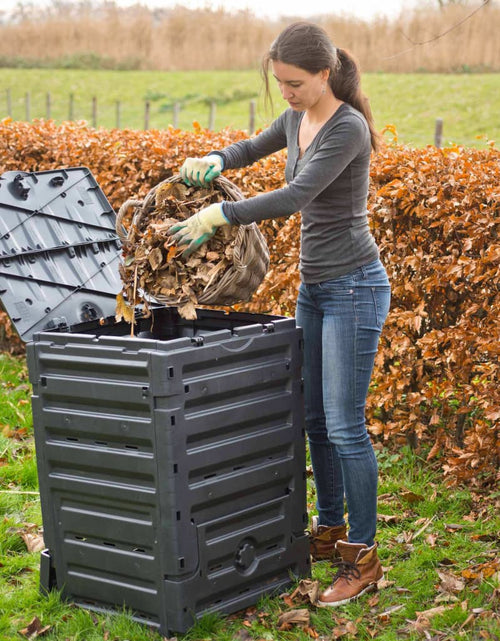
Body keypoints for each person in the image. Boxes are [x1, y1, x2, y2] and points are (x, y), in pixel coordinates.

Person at [168, 21, 391, 607]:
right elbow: (250, 147)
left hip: (354, 288)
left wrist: (222, 214)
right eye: (280, 84)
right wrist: (214, 158)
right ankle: (331, 530)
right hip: (315, 289)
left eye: (294, 84)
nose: (286, 94)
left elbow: (296, 196)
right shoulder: (296, 118)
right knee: (315, 419)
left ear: (325, 73)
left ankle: (363, 556)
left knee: (345, 426)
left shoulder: (348, 129)